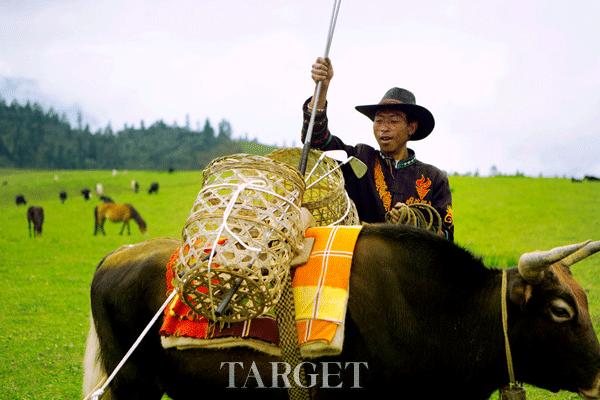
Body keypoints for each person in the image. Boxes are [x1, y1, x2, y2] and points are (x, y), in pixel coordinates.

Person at [301, 57, 454, 241]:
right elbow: (318, 139)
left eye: (393, 121)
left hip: (412, 267)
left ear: (411, 128)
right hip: (363, 262)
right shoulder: (359, 159)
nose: (384, 127)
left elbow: (447, 238)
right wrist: (322, 88)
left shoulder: (434, 178)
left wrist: (415, 225)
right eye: (379, 120)